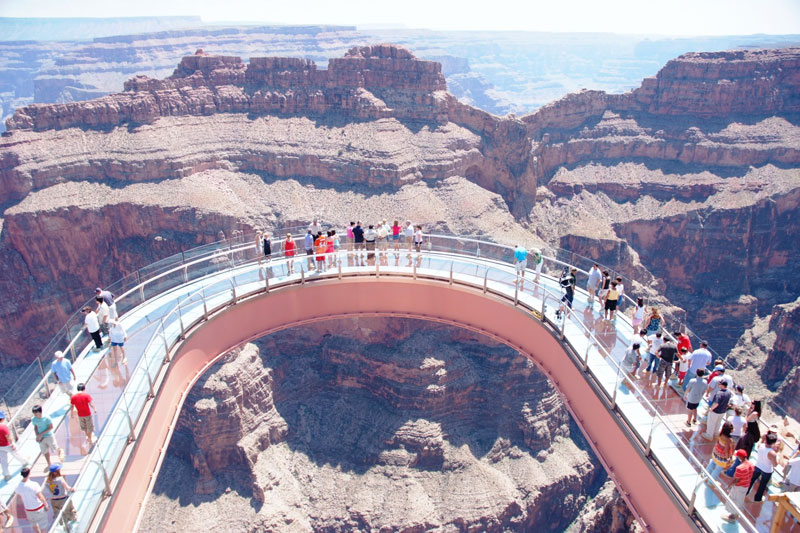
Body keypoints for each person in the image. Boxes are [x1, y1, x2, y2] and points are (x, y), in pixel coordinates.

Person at [722, 449, 754, 522]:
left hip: (739, 487)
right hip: (746, 486)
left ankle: (732, 516)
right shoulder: (751, 464)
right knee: (740, 500)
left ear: (740, 457)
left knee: (733, 500)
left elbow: (736, 480)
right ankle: (736, 514)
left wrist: (729, 486)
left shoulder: (740, 468)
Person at [13, 467, 49, 533]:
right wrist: (46, 505)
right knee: (43, 526)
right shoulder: (34, 484)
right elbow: (40, 497)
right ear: (29, 473)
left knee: (34, 525)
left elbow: (20, 498)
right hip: (38, 508)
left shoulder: (18, 486)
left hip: (28, 509)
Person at [746, 433, 778, 502]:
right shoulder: (772, 453)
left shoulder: (761, 446)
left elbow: (759, 444)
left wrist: (762, 439)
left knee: (751, 480)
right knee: (762, 485)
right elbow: (775, 464)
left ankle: (745, 492)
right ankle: (757, 498)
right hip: (767, 470)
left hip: (758, 466)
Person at [31, 405, 62, 470]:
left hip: (48, 436)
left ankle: (61, 456)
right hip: (41, 438)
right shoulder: (33, 419)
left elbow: (51, 427)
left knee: (55, 448)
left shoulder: (47, 418)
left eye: (36, 413)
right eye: (34, 413)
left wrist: (41, 434)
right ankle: (49, 463)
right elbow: (35, 427)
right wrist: (37, 435)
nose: (35, 414)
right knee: (44, 451)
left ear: (40, 412)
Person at [0, 410, 28, 481]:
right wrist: (12, 444)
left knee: (3, 460)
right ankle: (24, 461)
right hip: (7, 445)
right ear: (2, 419)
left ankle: (6, 475)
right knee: (16, 454)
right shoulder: (3, 427)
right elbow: (8, 437)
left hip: (0, 447)